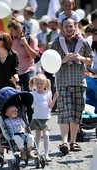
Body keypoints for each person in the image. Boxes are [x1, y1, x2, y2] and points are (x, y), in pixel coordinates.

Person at [51, 17, 93, 154]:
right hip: (63, 83)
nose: (69, 29)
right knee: (64, 113)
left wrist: (80, 58)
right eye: (66, 26)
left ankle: (73, 141)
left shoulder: (83, 42)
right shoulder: (56, 44)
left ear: (75, 26)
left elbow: (90, 61)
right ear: (62, 28)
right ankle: (64, 142)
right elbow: (51, 65)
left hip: (79, 82)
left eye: (71, 26)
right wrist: (64, 60)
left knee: (76, 113)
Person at [29, 74, 58, 162]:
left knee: (46, 135)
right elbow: (30, 106)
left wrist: (54, 98)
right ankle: (37, 153)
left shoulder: (48, 93)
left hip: (46, 117)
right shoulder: (32, 94)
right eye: (37, 83)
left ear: (45, 83)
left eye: (41, 83)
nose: (39, 85)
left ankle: (46, 154)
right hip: (37, 117)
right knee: (37, 136)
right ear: (34, 83)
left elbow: (50, 106)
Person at [8, 20, 38, 92]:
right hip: (16, 73)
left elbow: (34, 56)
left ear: (18, 29)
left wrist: (25, 44)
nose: (10, 33)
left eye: (12, 31)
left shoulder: (30, 38)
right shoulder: (12, 39)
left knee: (29, 94)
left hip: (28, 71)